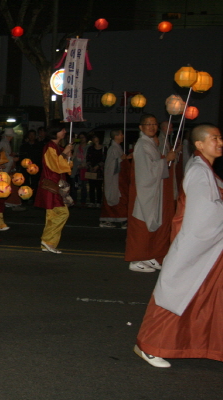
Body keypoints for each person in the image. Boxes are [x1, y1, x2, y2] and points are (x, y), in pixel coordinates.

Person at [135, 124, 223, 368]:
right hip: (198, 246)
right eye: (214, 138)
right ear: (199, 144)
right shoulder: (198, 171)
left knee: (205, 300)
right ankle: (151, 345)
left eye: (220, 137)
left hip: (212, 247)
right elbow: (204, 213)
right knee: (175, 297)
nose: (220, 142)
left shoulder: (206, 170)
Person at [125, 114, 177, 272]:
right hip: (143, 192)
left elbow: (154, 166)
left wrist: (164, 160)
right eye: (148, 124)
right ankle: (135, 259)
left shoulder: (150, 143)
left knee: (152, 225)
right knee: (141, 226)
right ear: (141, 127)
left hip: (152, 190)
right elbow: (147, 171)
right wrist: (165, 160)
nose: (152, 127)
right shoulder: (142, 144)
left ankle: (148, 256)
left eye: (154, 124)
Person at [34, 122, 73, 254]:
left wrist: (67, 155)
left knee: (52, 215)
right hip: (52, 185)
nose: (64, 132)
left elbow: (66, 166)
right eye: (62, 130)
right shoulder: (50, 147)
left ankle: (48, 243)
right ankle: (47, 240)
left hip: (56, 185)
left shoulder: (56, 146)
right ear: (55, 132)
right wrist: (64, 154)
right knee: (62, 213)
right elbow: (55, 165)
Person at [99, 130, 130, 228]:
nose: (123, 136)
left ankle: (117, 219)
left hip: (120, 179)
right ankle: (122, 220)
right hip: (115, 180)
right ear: (116, 136)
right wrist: (122, 159)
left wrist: (124, 158)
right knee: (119, 199)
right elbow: (110, 165)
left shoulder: (117, 147)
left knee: (121, 198)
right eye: (121, 134)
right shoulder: (113, 148)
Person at [85, 134, 106, 208]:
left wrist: (98, 166)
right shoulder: (90, 148)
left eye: (95, 137)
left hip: (99, 170)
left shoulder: (104, 148)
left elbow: (104, 159)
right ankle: (92, 201)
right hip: (91, 169)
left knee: (99, 186)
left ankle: (99, 202)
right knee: (91, 186)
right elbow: (88, 158)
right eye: (93, 138)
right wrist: (90, 166)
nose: (94, 139)